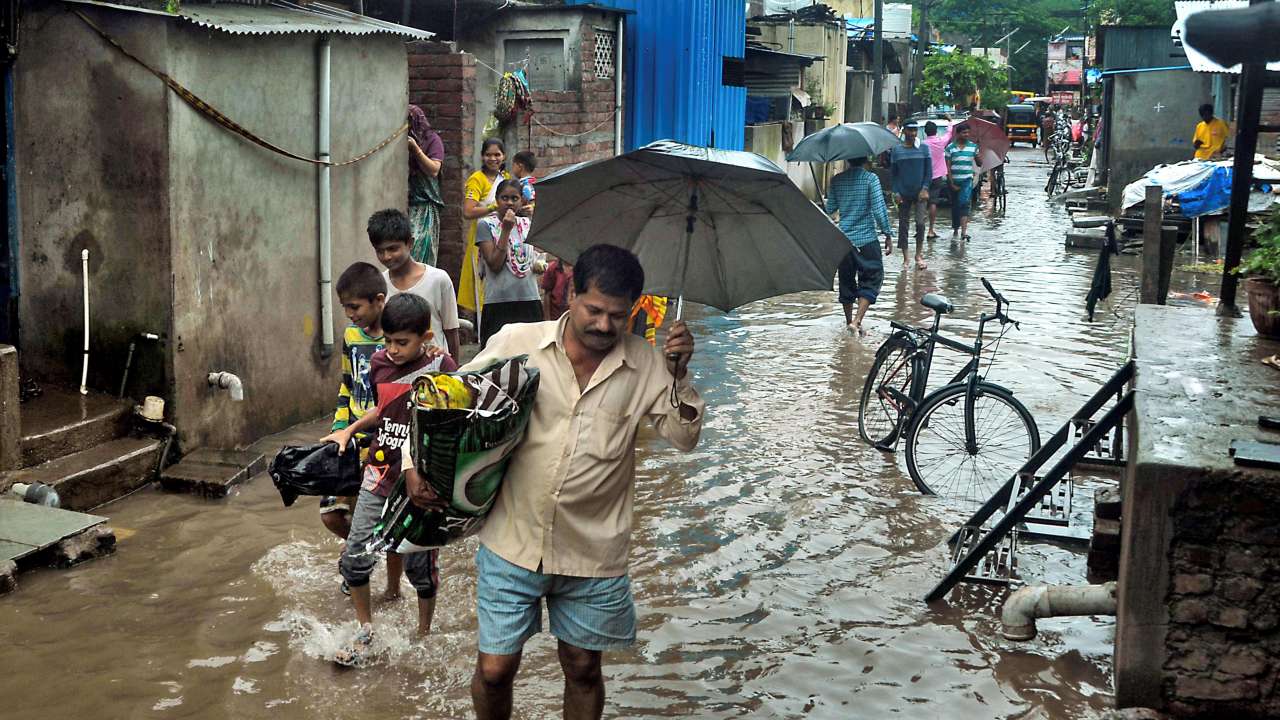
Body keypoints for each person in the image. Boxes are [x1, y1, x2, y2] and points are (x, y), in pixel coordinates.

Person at [452, 243, 703, 720]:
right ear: (570, 295)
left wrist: (679, 375)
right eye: (594, 310)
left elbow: (684, 437)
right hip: (513, 539)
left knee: (584, 666)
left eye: (617, 315)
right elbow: (447, 405)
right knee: (495, 669)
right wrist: (413, 467)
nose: (604, 326)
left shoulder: (647, 362)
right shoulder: (517, 342)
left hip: (594, 550)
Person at [320, 293, 459, 666]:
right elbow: (384, 412)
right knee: (355, 556)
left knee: (420, 568)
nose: (393, 350)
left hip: (420, 483)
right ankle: (366, 629)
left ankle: (424, 632)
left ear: (425, 337)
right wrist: (349, 430)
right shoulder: (379, 363)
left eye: (403, 342)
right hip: (380, 471)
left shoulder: (442, 367)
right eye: (388, 341)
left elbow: (451, 427)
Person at [321, 261, 403, 598]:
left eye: (354, 307)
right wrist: (340, 428)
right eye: (345, 308)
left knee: (393, 518)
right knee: (331, 513)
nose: (349, 314)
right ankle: (361, 548)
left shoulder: (399, 339)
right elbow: (346, 384)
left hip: (386, 440)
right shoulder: (351, 336)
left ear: (379, 300)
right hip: (352, 438)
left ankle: (393, 589)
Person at [367, 208, 461, 365]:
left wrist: (455, 372)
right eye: (380, 251)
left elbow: (451, 331)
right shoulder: (379, 285)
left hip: (434, 374)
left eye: (392, 248)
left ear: (410, 243)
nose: (386, 256)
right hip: (395, 376)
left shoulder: (438, 280)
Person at [825, 157, 893, 337]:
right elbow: (879, 210)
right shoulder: (871, 179)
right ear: (866, 159)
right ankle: (857, 321)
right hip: (866, 240)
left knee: (846, 281)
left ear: (848, 159)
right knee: (871, 278)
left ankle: (849, 322)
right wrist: (887, 233)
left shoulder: (837, 180)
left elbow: (830, 208)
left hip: (843, 240)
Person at [475, 179, 542, 348]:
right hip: (498, 304)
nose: (510, 203)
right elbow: (495, 264)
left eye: (515, 198)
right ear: (497, 200)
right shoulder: (486, 225)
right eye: (504, 198)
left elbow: (534, 259)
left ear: (522, 201)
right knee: (496, 361)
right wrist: (505, 230)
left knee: (531, 360)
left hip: (529, 301)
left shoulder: (528, 225)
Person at [459, 138, 512, 333]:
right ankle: (485, 333)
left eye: (497, 154)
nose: (493, 158)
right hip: (483, 237)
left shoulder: (505, 177)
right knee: (483, 282)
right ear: (482, 156)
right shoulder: (476, 179)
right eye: (488, 154)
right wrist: (492, 207)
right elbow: (468, 211)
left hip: (504, 234)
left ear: (504, 156)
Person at [889, 123, 933, 271]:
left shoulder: (924, 148)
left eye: (915, 130)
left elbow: (928, 171)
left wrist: (925, 188)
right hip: (903, 192)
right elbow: (894, 175)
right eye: (910, 130)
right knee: (903, 225)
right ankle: (906, 257)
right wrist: (896, 192)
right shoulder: (896, 150)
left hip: (920, 192)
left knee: (920, 223)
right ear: (904, 131)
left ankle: (919, 255)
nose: (913, 133)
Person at [407, 105, 445, 266]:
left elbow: (434, 169)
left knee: (419, 244)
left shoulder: (432, 140)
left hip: (426, 203)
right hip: (408, 201)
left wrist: (416, 150)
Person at [945, 123, 980, 241]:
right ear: (958, 134)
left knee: (964, 203)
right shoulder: (950, 148)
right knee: (955, 206)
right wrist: (951, 183)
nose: (966, 135)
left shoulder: (973, 147)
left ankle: (964, 232)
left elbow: (979, 163)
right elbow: (948, 167)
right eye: (964, 133)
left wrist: (979, 154)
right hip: (954, 180)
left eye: (968, 133)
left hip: (967, 180)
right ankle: (955, 228)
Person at [922, 121, 950, 240]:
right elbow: (949, 133)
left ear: (925, 132)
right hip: (937, 176)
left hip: (923, 177)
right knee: (933, 203)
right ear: (936, 131)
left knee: (922, 202)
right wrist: (950, 122)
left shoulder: (922, 144)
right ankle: (930, 230)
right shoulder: (940, 142)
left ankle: (920, 228)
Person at [541, 255, 573, 321]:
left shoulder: (580, 268)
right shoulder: (553, 268)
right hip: (555, 315)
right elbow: (547, 295)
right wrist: (547, 319)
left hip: (573, 314)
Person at [511, 150, 538, 216]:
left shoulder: (521, 185)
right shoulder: (535, 182)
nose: (512, 168)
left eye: (513, 165)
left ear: (520, 166)